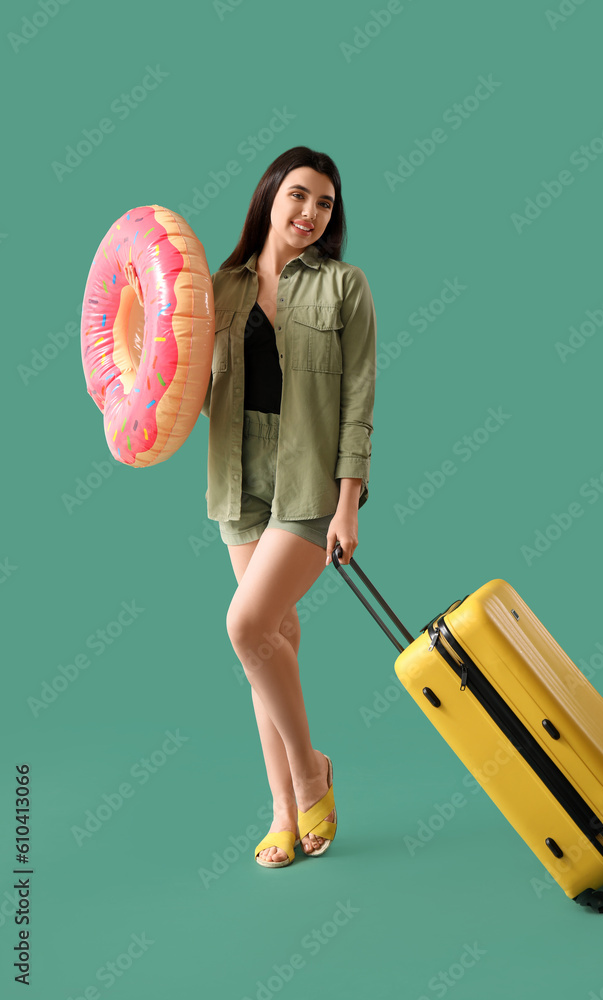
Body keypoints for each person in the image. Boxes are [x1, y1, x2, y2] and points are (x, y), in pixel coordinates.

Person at [201, 147, 376, 868]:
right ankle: (281, 810)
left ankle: (311, 773)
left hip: (309, 483)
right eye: (298, 196)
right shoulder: (221, 287)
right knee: (272, 646)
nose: (309, 213)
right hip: (238, 478)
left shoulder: (344, 286)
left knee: (246, 626)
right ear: (270, 196)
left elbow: (359, 398)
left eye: (324, 204)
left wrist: (348, 505)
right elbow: (181, 382)